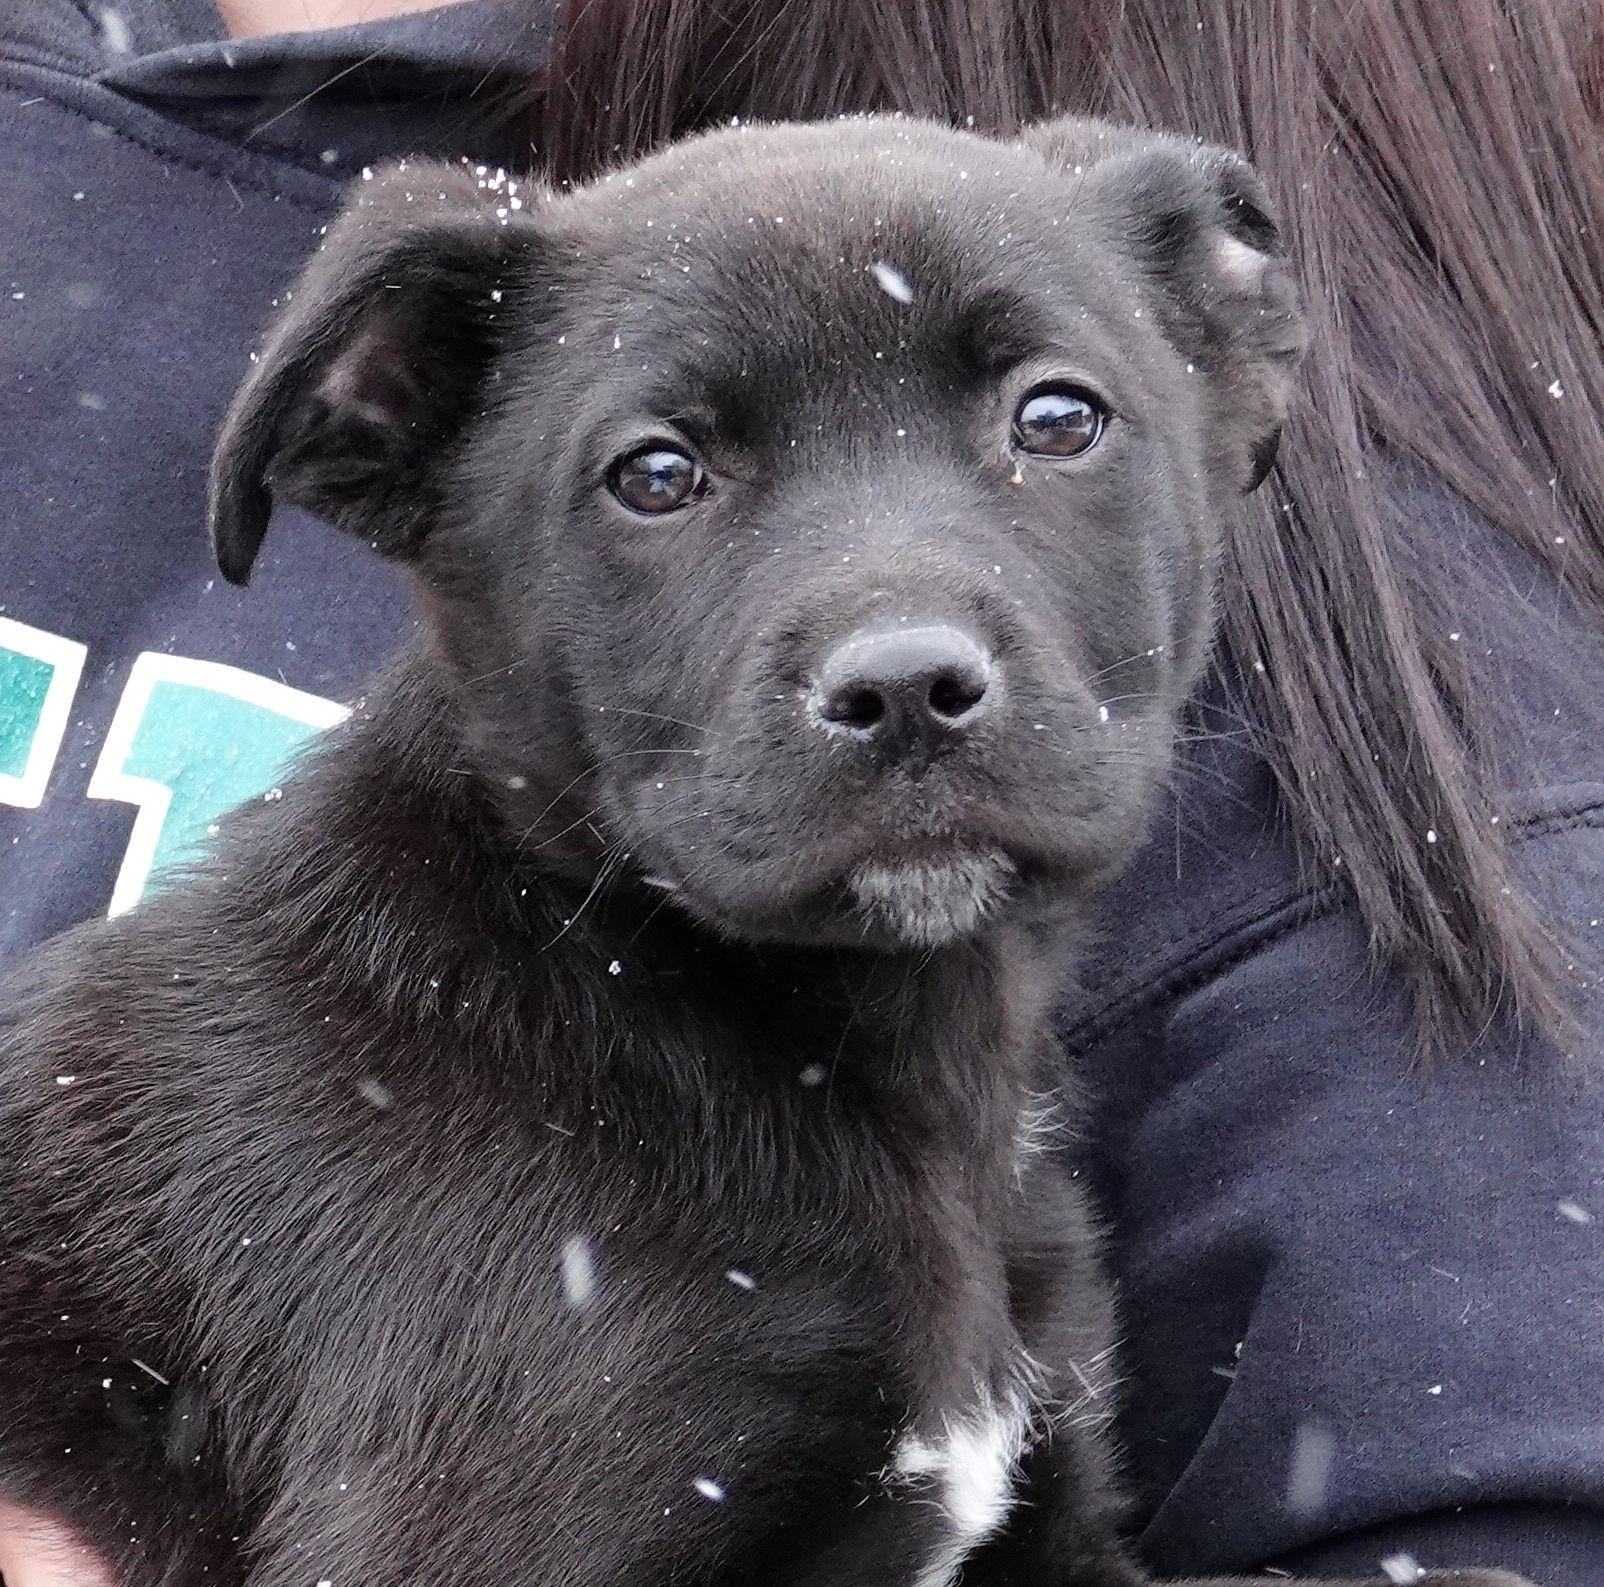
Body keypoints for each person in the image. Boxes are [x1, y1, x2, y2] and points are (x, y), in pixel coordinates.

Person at [0, 0, 1600, 1583]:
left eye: (1053, 418)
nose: (900, 644)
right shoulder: (463, 1154)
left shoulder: (968, 1166)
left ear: (1233, 374)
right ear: (392, 437)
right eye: (664, 474)